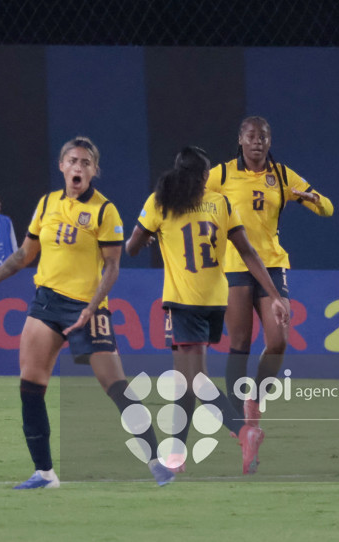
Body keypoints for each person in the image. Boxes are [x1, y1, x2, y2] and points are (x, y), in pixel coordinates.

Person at [0, 137, 174, 488]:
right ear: (62, 166)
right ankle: (45, 474)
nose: (78, 167)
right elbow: (24, 255)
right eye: (73, 161)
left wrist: (91, 306)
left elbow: (112, 267)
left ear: (94, 170)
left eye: (86, 162)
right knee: (30, 386)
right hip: (46, 304)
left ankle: (156, 461)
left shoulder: (105, 210)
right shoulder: (47, 204)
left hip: (89, 306)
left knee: (115, 385)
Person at [126, 146, 289, 475]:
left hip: (182, 300)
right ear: (204, 176)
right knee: (185, 382)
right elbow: (248, 253)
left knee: (196, 379)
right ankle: (175, 455)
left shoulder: (161, 202)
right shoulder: (221, 203)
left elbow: (131, 248)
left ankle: (243, 429)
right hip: (216, 301)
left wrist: (150, 237)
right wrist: (274, 295)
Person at [206, 116, 333, 426]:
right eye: (251, 136)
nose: (257, 141)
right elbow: (187, 196)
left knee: (278, 340)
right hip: (235, 265)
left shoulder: (280, 174)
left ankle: (256, 401)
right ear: (240, 140)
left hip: (273, 265)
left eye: (263, 136)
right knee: (240, 343)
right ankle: (237, 417)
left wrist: (313, 199)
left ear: (270, 142)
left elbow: (328, 208)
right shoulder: (221, 174)